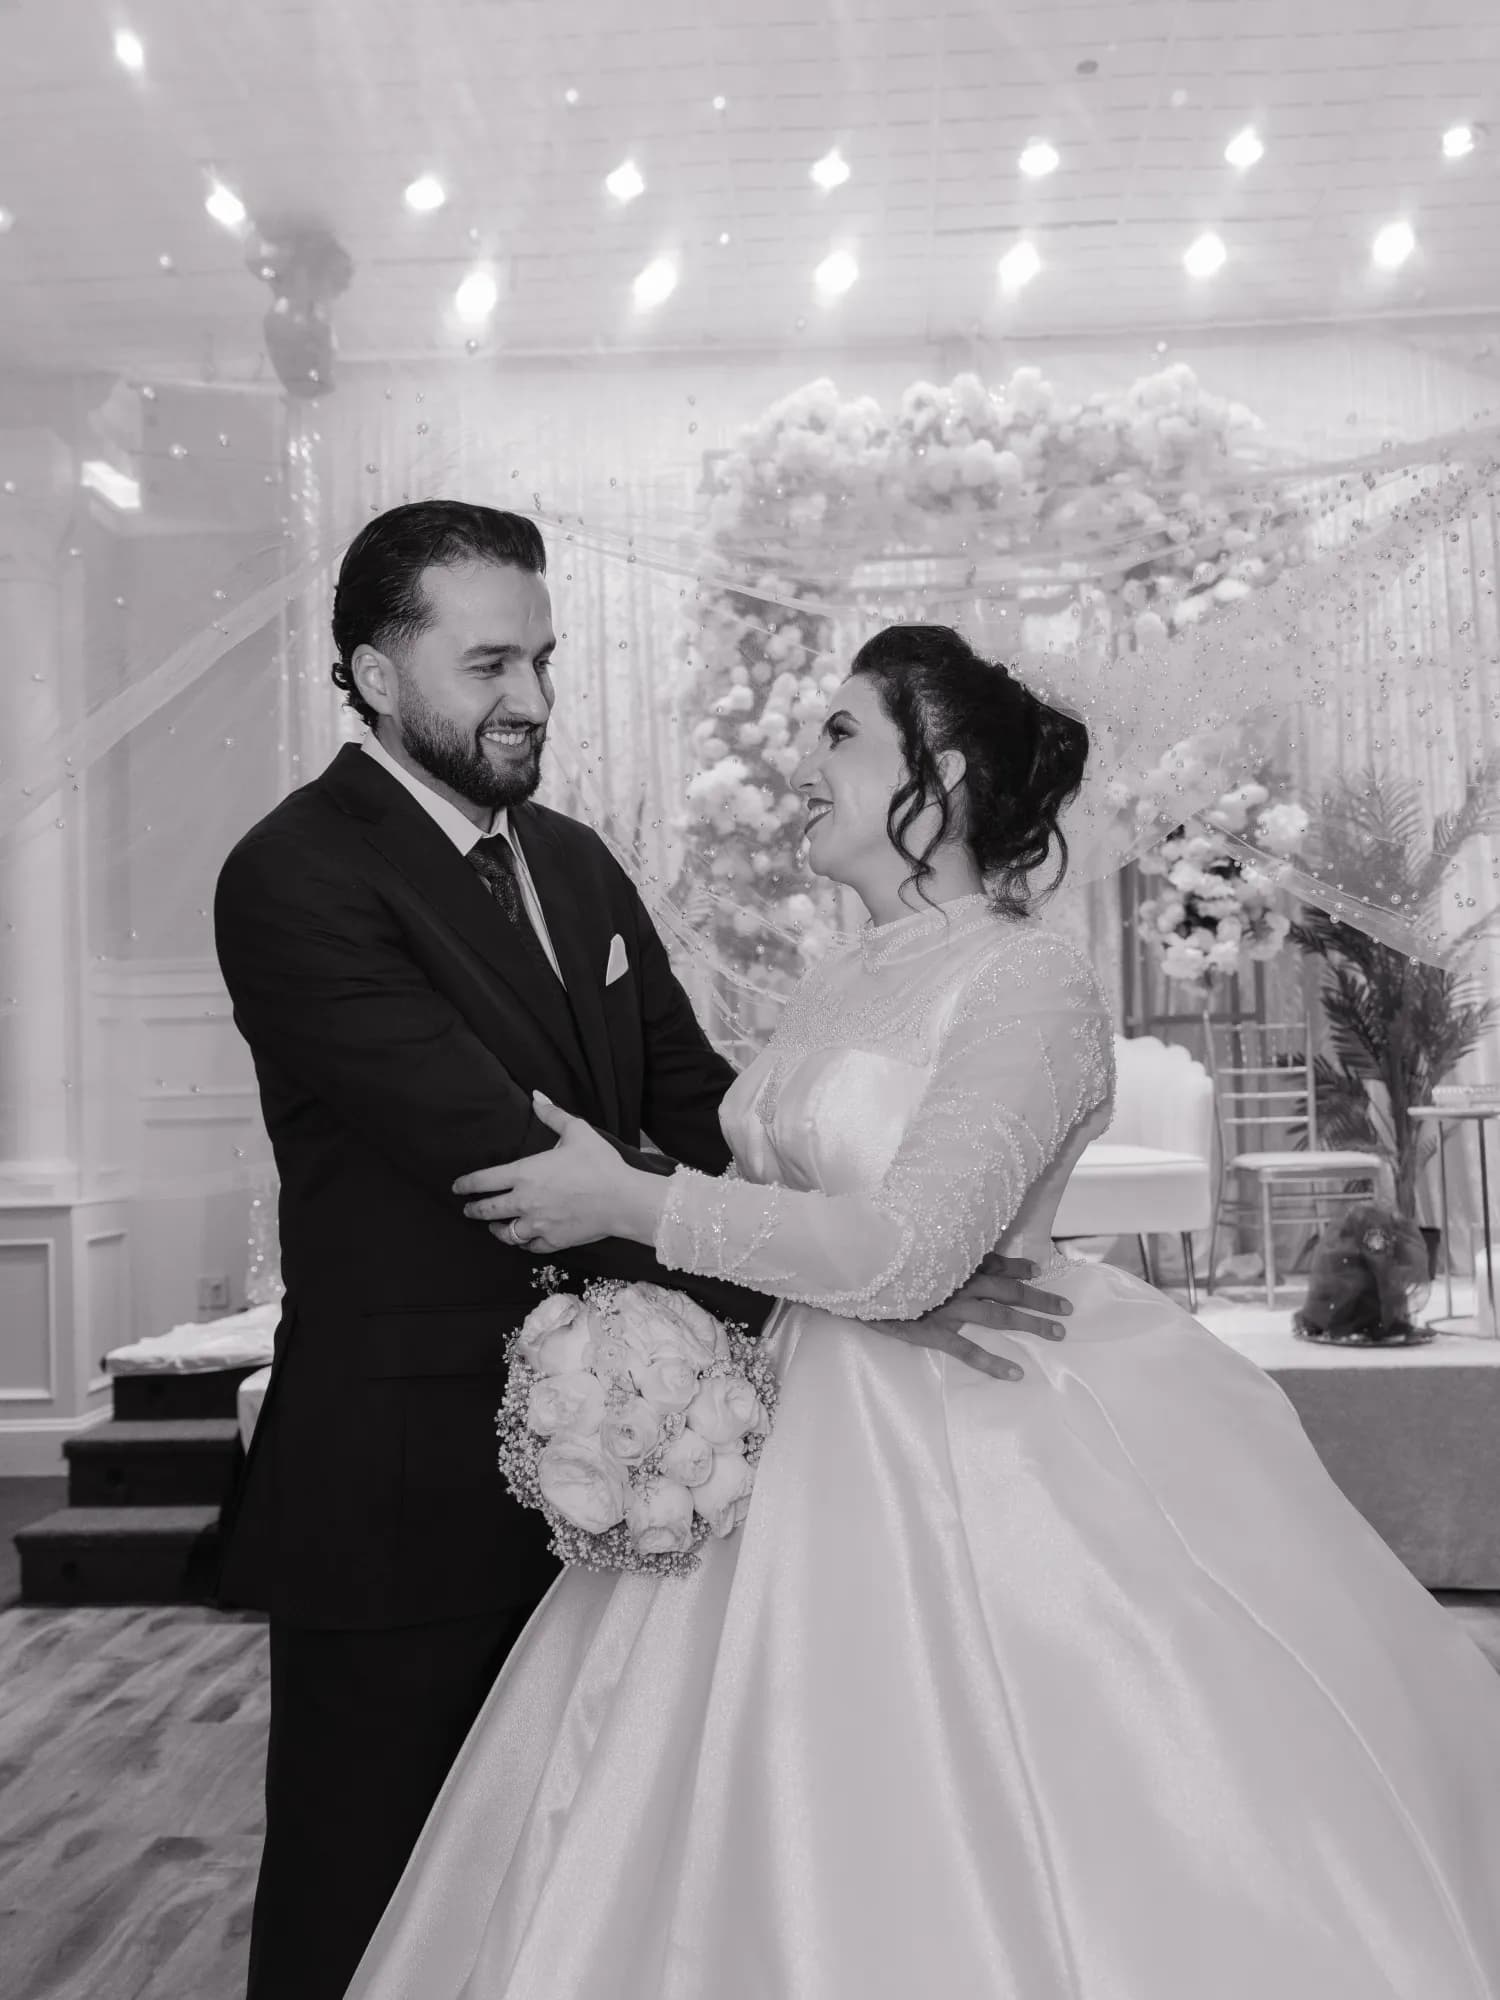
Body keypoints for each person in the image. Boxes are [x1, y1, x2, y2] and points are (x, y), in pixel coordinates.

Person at [348, 623, 1500, 2000]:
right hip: (793, 1429)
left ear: (937, 774)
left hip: (970, 1457)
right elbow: (793, 1201)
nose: (804, 758)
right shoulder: (851, 972)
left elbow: (904, 1250)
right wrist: (650, 1188)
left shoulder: (1029, 979)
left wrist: (629, 1204)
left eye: (841, 732)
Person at [213, 512, 1064, 2000]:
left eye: (541, 657)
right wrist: (863, 1280)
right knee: (364, 1893)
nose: (530, 697)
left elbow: (684, 1105)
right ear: (371, 667)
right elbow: (511, 1158)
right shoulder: (294, 874)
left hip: (643, 1473)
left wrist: (873, 1259)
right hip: (407, 1478)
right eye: (488, 663)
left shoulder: (573, 860)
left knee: (555, 1892)